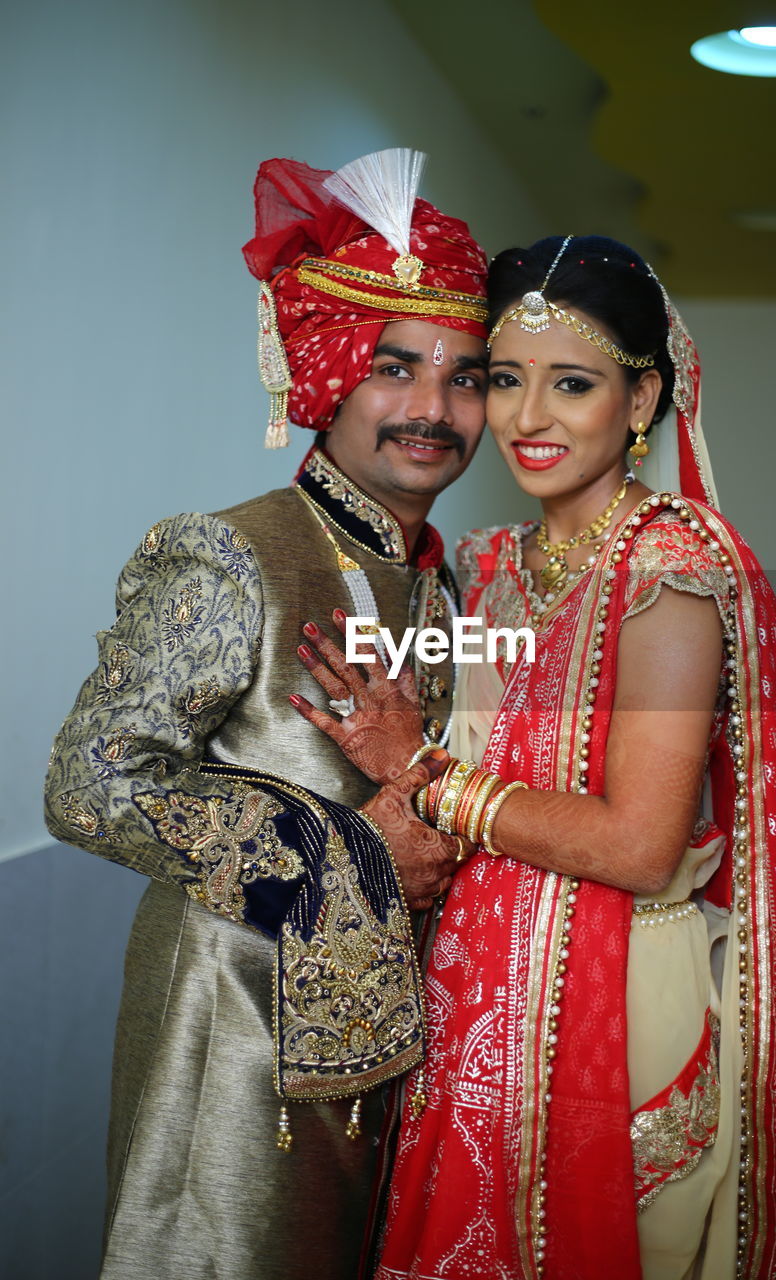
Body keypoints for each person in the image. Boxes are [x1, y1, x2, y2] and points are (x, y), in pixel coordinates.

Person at [294, 235, 776, 1278]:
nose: (527, 419)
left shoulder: (667, 571)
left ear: (638, 400)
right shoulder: (495, 565)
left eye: (570, 384)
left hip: (614, 1005)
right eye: (504, 381)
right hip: (482, 995)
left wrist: (425, 771)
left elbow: (637, 842)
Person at [43, 147, 490, 1280]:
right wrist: (348, 851)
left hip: (381, 1049)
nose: (433, 409)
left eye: (465, 375)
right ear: (332, 371)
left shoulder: (442, 579)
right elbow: (92, 784)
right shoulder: (235, 552)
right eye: (396, 367)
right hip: (230, 1045)